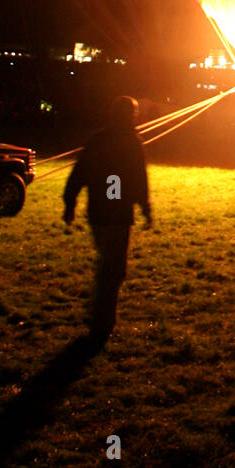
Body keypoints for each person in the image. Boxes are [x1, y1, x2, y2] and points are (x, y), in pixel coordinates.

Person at [63, 96, 151, 343]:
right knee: (113, 268)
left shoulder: (98, 140)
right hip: (118, 214)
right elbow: (139, 179)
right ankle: (103, 321)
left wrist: (70, 203)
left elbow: (79, 172)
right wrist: (145, 208)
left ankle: (102, 317)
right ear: (130, 115)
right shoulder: (132, 143)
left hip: (98, 212)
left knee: (108, 264)